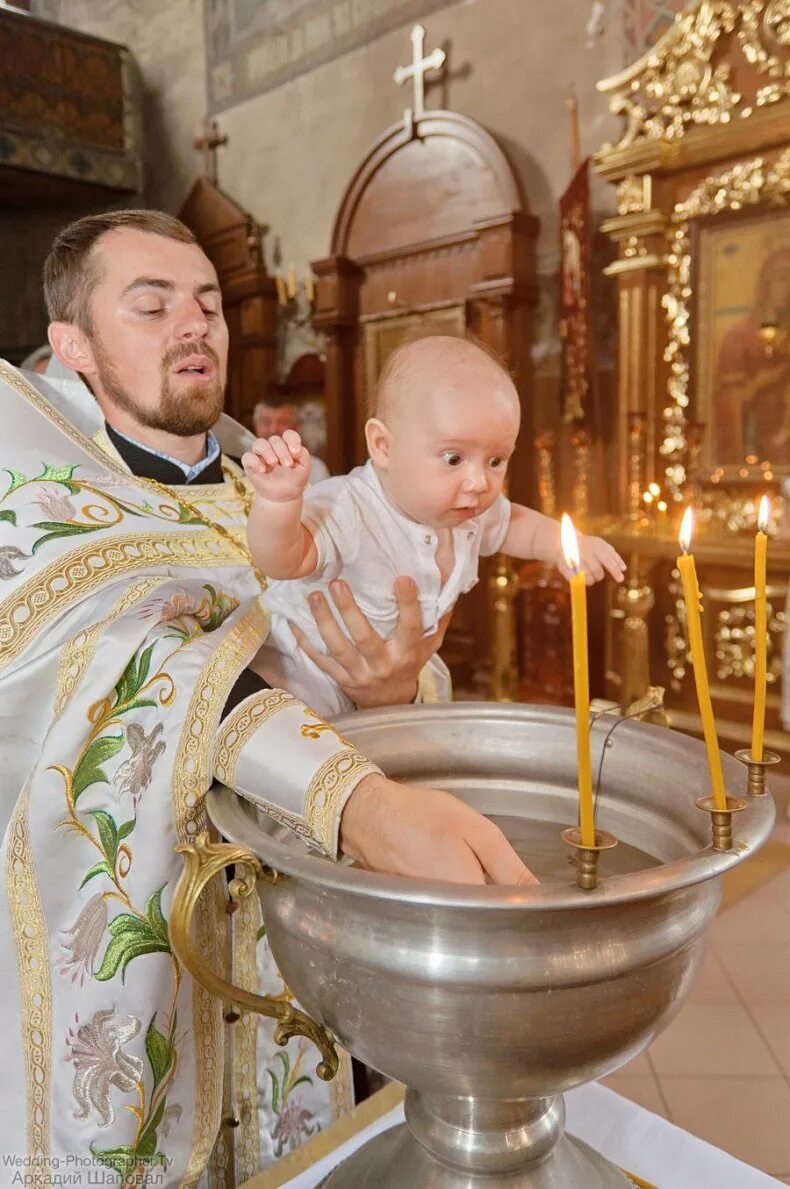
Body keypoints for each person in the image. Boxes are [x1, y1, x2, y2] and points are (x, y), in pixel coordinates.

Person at [0, 210, 535, 1186]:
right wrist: (355, 795)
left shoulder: (302, 494)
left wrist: (394, 685)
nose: (192, 323)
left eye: (206, 300)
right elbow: (127, 666)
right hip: (162, 957)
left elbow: (389, 665)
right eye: (150, 304)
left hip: (315, 942)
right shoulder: (43, 510)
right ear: (71, 344)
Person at [242, 335, 626, 715]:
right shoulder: (346, 506)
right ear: (383, 446)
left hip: (400, 680)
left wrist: (564, 543)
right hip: (301, 680)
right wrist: (279, 502)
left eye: (496, 460)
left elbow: (516, 525)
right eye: (453, 458)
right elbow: (282, 560)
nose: (480, 482)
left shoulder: (467, 510)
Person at [253, 396, 330, 485]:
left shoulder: (315, 468)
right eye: (266, 422)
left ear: (295, 427)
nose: (273, 429)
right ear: (256, 426)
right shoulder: (244, 463)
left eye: (282, 422)